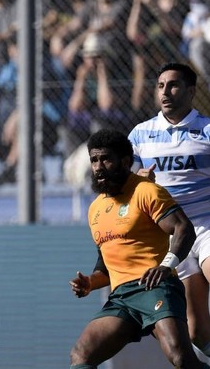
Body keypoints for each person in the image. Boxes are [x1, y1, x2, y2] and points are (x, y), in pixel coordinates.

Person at [69, 128, 205, 368]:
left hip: (155, 286)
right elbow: (107, 264)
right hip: (122, 298)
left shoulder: (146, 190)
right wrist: (90, 282)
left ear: (125, 161)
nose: (98, 167)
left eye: (106, 159)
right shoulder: (95, 209)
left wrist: (166, 266)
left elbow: (183, 229)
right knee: (81, 356)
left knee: (180, 357)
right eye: (94, 160)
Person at [128, 62, 210, 357]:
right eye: (161, 86)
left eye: (173, 85)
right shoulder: (140, 134)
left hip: (206, 226)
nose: (165, 92)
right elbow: (125, 186)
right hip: (173, 235)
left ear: (191, 91)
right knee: (197, 332)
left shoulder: (207, 130)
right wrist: (139, 183)